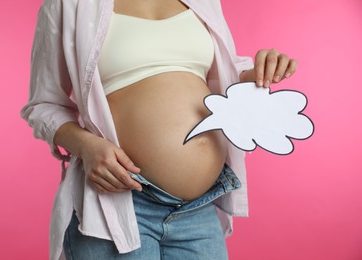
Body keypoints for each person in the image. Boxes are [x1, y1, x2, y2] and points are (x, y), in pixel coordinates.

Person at [21, 0, 297, 259]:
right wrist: (87, 146)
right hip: (120, 203)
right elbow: (43, 105)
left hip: (200, 208)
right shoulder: (70, 5)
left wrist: (260, 72)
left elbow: (222, 77)